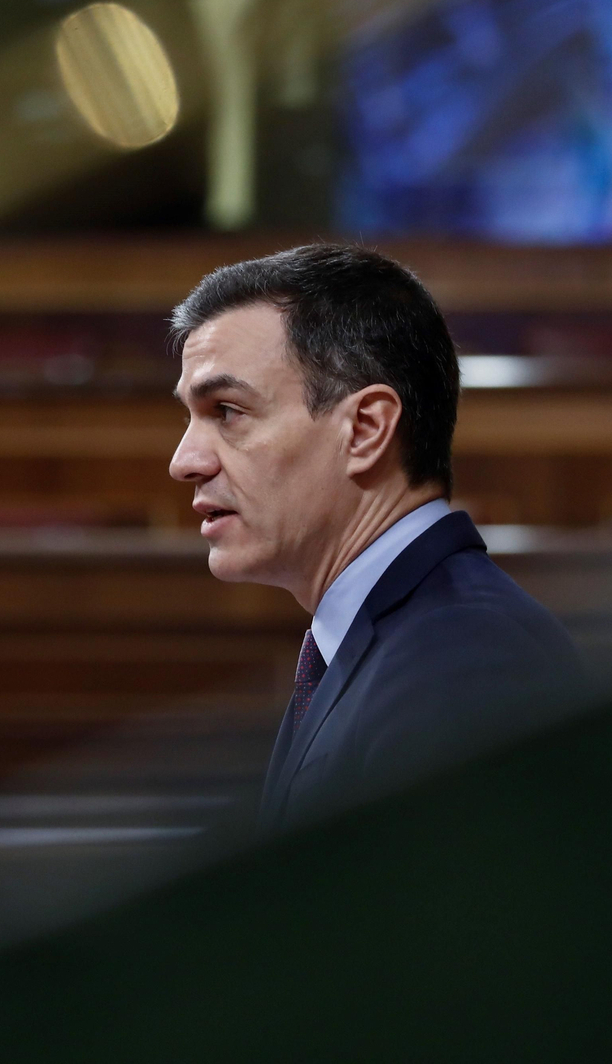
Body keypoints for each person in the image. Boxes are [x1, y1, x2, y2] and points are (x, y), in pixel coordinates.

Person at [168, 244, 582, 834]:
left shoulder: (463, 658)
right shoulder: (396, 634)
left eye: (227, 411)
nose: (184, 461)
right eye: (189, 416)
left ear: (364, 429)